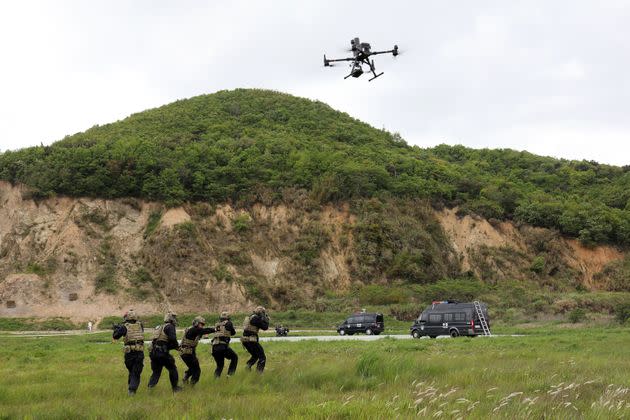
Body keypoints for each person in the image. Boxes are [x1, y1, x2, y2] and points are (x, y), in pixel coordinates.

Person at [112, 309, 144, 395]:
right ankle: (132, 390)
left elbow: (115, 336)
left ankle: (131, 388)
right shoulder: (140, 325)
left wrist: (116, 329)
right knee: (136, 372)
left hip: (129, 354)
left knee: (132, 371)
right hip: (139, 352)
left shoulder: (124, 327)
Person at [148, 311, 182, 392]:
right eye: (174, 317)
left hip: (154, 353)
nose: (175, 319)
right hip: (162, 353)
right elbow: (173, 339)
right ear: (171, 319)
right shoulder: (170, 326)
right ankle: (175, 388)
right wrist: (177, 347)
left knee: (156, 372)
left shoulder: (160, 327)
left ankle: (150, 388)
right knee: (172, 368)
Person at [179, 316, 215, 385]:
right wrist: (215, 329)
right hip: (187, 353)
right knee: (197, 371)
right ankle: (191, 386)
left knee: (192, 368)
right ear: (196, 323)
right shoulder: (194, 329)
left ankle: (185, 377)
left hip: (186, 353)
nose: (202, 326)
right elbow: (205, 331)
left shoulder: (193, 330)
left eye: (203, 325)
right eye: (201, 324)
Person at [241, 306, 269, 373]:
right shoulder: (256, 318)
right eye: (263, 313)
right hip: (251, 340)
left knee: (255, 356)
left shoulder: (250, 317)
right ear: (261, 313)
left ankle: (247, 367)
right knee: (262, 357)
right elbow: (265, 327)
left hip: (245, 340)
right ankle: (259, 373)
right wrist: (266, 319)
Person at [211, 311, 238, 378]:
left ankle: (216, 379)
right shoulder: (229, 323)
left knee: (220, 365)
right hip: (222, 346)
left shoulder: (217, 324)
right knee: (234, 357)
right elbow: (233, 333)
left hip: (214, 347)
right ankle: (230, 375)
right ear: (228, 318)